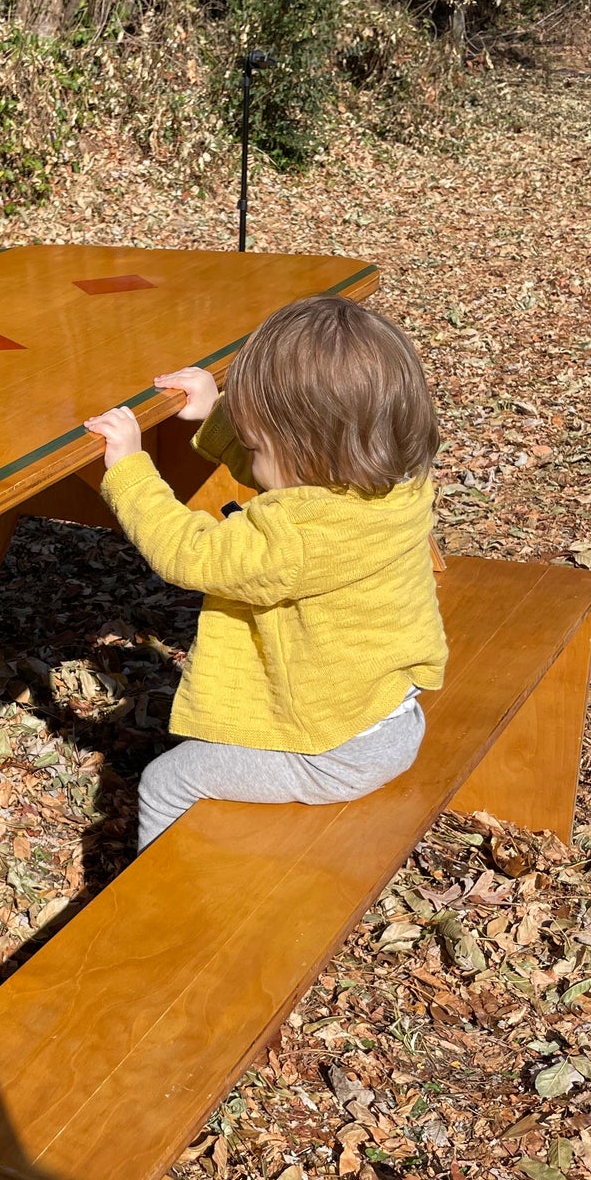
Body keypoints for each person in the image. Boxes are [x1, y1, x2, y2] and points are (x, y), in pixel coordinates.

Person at [83, 295, 448, 852]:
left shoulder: (296, 540)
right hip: (387, 717)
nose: (250, 459)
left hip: (329, 750)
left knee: (166, 781)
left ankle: (159, 901)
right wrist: (219, 412)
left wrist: (131, 470)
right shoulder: (399, 484)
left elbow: (190, 552)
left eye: (253, 445)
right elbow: (296, 479)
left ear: (304, 451)